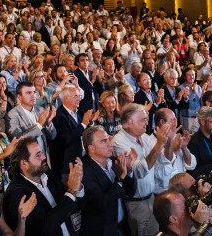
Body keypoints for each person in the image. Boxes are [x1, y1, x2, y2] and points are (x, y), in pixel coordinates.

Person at [111, 103, 176, 236]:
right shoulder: (119, 142)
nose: (147, 123)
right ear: (131, 121)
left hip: (151, 199)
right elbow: (137, 172)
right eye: (143, 120)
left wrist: (168, 142)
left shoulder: (145, 138)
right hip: (135, 205)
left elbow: (161, 164)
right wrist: (159, 144)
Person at [3, 137, 85, 236]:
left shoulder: (47, 174)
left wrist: (77, 186)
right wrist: (71, 192)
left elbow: (70, 203)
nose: (44, 157)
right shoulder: (16, 194)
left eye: (41, 152)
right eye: (38, 155)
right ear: (24, 163)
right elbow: (43, 229)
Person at [80, 125, 136, 236]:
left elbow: (131, 192)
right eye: (104, 141)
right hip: (103, 231)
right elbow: (102, 204)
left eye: (109, 139)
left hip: (123, 226)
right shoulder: (83, 171)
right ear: (91, 148)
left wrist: (129, 170)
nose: (110, 144)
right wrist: (120, 179)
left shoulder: (114, 161)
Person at [7, 81, 57, 169]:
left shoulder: (40, 109)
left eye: (34, 92)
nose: (33, 95)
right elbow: (19, 141)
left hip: (45, 159)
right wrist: (39, 125)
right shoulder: (12, 114)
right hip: (28, 164)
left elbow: (53, 136)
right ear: (19, 97)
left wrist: (49, 123)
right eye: (28, 93)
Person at [51, 84, 96, 180]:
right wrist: (83, 124)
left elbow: (86, 131)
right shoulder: (59, 116)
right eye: (76, 96)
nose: (79, 99)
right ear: (66, 98)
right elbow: (66, 139)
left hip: (85, 160)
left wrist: (90, 123)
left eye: (79, 96)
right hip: (69, 166)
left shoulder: (80, 111)